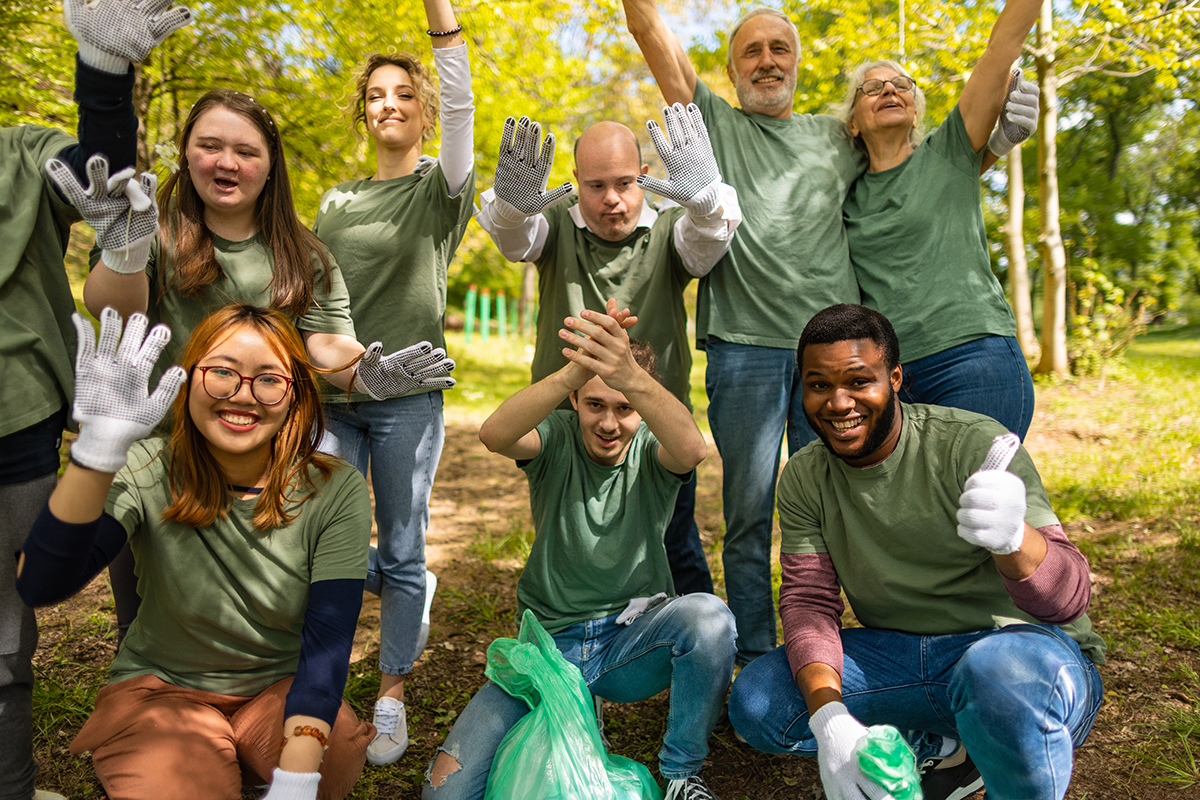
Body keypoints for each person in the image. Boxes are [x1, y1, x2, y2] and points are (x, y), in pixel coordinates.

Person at [620, 1, 1041, 666]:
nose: (766, 60)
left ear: (796, 63)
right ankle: (758, 658)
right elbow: (650, 32)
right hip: (746, 349)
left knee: (849, 508)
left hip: (835, 358)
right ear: (731, 72)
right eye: (751, 51)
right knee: (750, 516)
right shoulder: (716, 125)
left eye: (778, 48)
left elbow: (917, 168)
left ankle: (848, 648)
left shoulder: (835, 136)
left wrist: (991, 145)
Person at [79, 85, 453, 647]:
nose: (227, 162)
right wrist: (126, 250)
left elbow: (325, 342)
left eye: (246, 151)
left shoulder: (305, 254)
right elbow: (112, 307)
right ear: (186, 154)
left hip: (262, 469)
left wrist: (364, 373)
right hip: (163, 460)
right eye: (210, 146)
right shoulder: (149, 231)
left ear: (270, 164)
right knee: (148, 622)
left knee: (258, 626)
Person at [726, 304, 1105, 800]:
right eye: (819, 385)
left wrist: (1016, 540)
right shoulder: (803, 475)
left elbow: (1069, 601)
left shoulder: (972, 445)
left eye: (859, 382)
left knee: (996, 674)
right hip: (899, 656)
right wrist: (831, 721)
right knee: (758, 701)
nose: (839, 404)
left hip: (1016, 657)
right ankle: (946, 746)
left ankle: (998, 741)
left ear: (896, 378)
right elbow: (809, 603)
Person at [17, 305, 376, 800]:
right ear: (189, 382)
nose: (242, 395)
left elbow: (328, 642)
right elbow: (41, 584)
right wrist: (95, 456)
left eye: (269, 380)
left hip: (281, 688)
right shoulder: (146, 466)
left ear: (295, 396)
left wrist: (296, 779)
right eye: (222, 373)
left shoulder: (335, 488)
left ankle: (255, 767)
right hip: (162, 694)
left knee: (326, 765)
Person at [424, 299, 736, 800]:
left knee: (708, 617)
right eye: (595, 404)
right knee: (444, 792)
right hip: (549, 648)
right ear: (575, 402)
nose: (609, 424)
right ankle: (574, 707)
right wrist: (572, 373)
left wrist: (631, 376)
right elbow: (494, 433)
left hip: (629, 642)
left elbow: (693, 450)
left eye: (624, 408)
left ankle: (680, 773)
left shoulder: (652, 447)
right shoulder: (556, 436)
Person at [0, 2, 191, 798]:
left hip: (19, 422)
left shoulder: (16, 153)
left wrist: (103, 74)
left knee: (8, 628)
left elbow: (100, 181)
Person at [476, 103, 742, 595]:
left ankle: (693, 640)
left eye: (624, 183)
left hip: (649, 422)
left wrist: (703, 201)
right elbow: (516, 239)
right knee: (569, 537)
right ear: (575, 180)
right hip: (567, 422)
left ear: (645, 175)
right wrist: (512, 208)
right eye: (595, 186)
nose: (612, 200)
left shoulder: (669, 225)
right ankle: (581, 630)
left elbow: (707, 242)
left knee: (674, 541)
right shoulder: (553, 222)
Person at [310, 0, 475, 765]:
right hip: (336, 397)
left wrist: (441, 20)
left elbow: (463, 101)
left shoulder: (440, 190)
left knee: (403, 546)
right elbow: (314, 303)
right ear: (363, 111)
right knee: (317, 540)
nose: (389, 104)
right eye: (376, 94)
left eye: (404, 94)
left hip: (407, 400)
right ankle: (323, 672)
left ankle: (391, 690)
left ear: (424, 111)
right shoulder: (335, 201)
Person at [837, 0, 1042, 440]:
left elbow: (1002, 47)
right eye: (872, 88)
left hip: (974, 359)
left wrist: (996, 144)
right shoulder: (845, 195)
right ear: (852, 123)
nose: (889, 90)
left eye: (901, 85)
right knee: (918, 509)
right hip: (889, 381)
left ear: (915, 110)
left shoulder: (948, 150)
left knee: (982, 504)